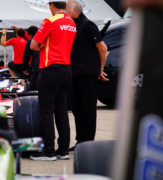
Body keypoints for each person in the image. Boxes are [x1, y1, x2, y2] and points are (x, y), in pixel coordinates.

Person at [29, 0, 76, 161]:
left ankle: (48, 151)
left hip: (50, 70)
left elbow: (33, 45)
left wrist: (42, 46)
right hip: (66, 70)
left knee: (47, 111)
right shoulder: (71, 22)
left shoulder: (50, 21)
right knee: (61, 110)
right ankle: (63, 150)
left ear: (51, 5)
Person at [66, 0, 108, 151]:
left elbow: (102, 48)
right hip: (74, 74)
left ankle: (88, 144)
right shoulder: (72, 26)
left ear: (75, 11)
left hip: (88, 74)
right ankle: (80, 142)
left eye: (67, 9)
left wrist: (100, 68)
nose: (65, 12)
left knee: (88, 109)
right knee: (77, 109)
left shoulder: (88, 25)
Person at [22, 26, 40, 91]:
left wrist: (25, 68)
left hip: (36, 66)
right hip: (47, 67)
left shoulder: (30, 42)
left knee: (34, 89)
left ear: (30, 34)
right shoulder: (44, 40)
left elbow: (26, 56)